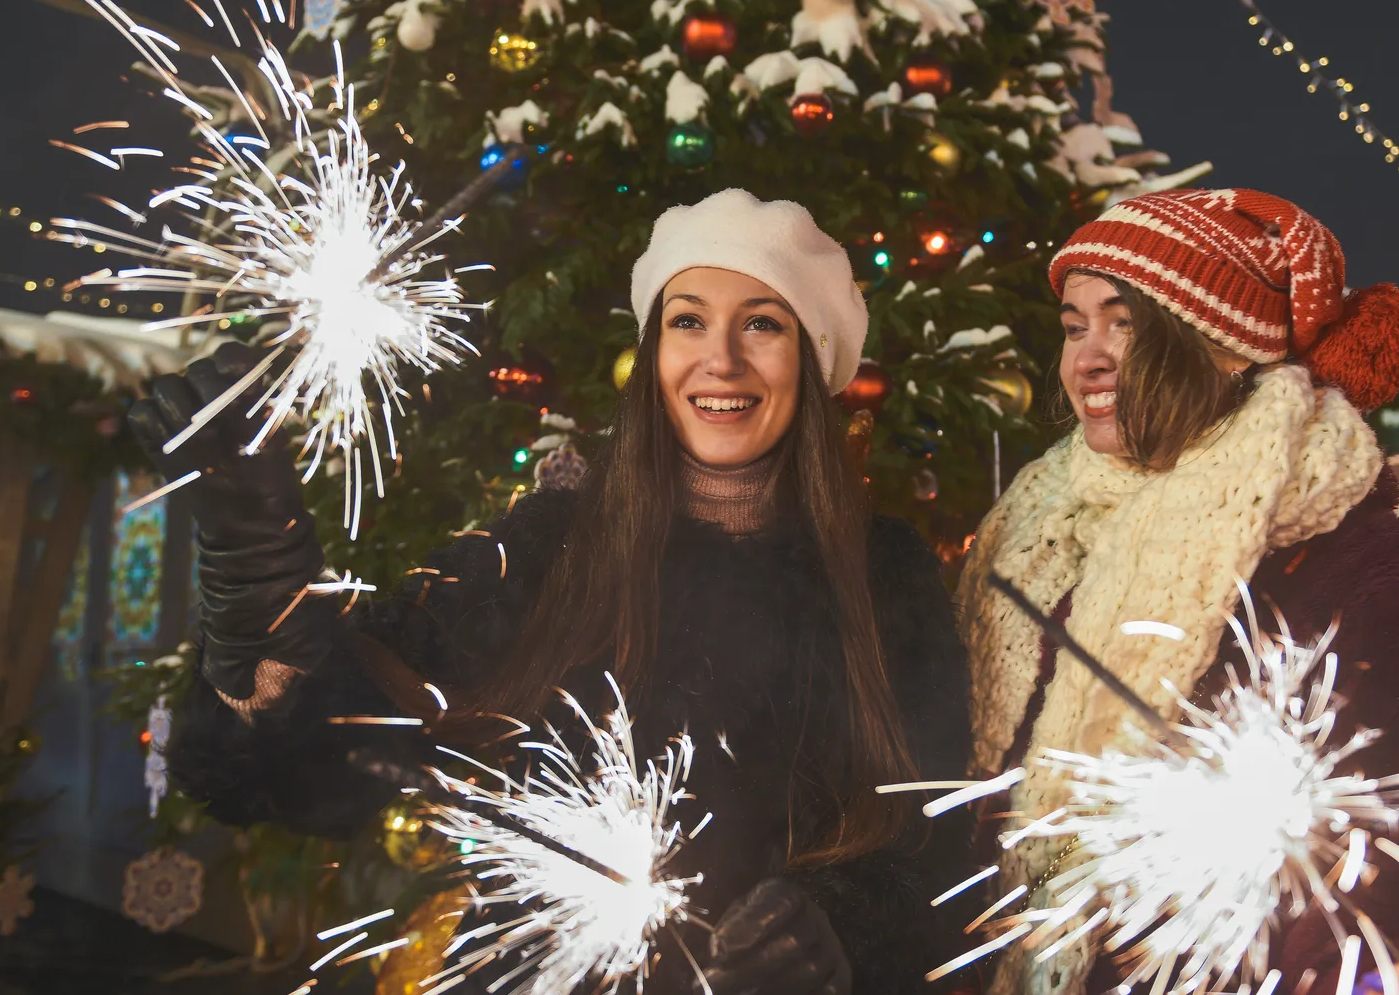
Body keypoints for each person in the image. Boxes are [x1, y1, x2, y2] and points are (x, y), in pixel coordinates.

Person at [136, 189, 972, 994]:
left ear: (812, 357)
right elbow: (323, 755)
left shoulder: (883, 574)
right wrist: (256, 577)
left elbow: (933, 847)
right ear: (653, 357)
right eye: (687, 322)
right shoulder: (552, 546)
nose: (721, 359)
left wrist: (835, 940)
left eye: (762, 323)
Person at [957, 189, 1399, 994]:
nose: (1089, 358)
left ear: (1228, 349)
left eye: (1125, 323)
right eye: (1075, 327)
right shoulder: (1036, 541)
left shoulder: (1384, 574)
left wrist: (1394, 970)